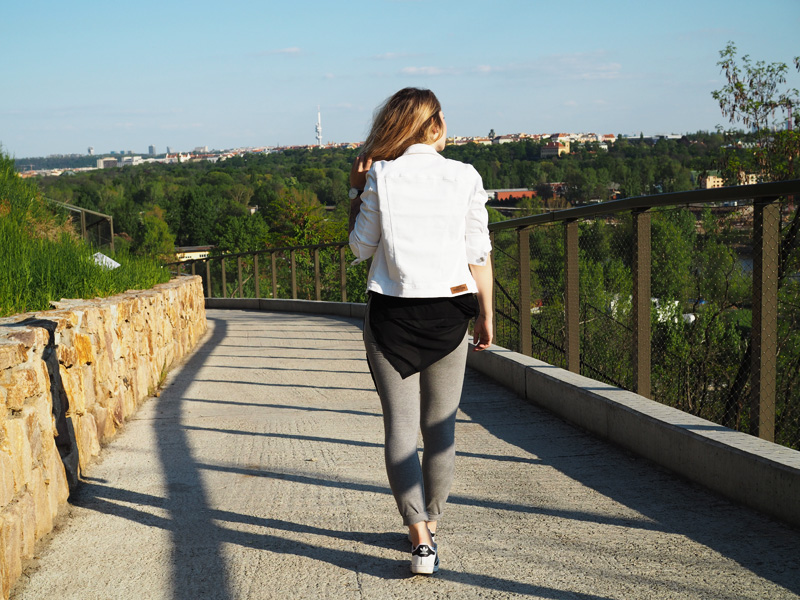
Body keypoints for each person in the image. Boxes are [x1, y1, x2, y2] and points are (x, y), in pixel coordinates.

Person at [348, 87, 493, 575]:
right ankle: (431, 520)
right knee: (440, 428)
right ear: (434, 126)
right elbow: (478, 254)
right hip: (450, 313)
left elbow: (360, 248)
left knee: (400, 428)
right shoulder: (466, 176)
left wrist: (356, 191)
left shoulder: (381, 176)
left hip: (391, 315)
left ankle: (419, 539)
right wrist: (487, 315)